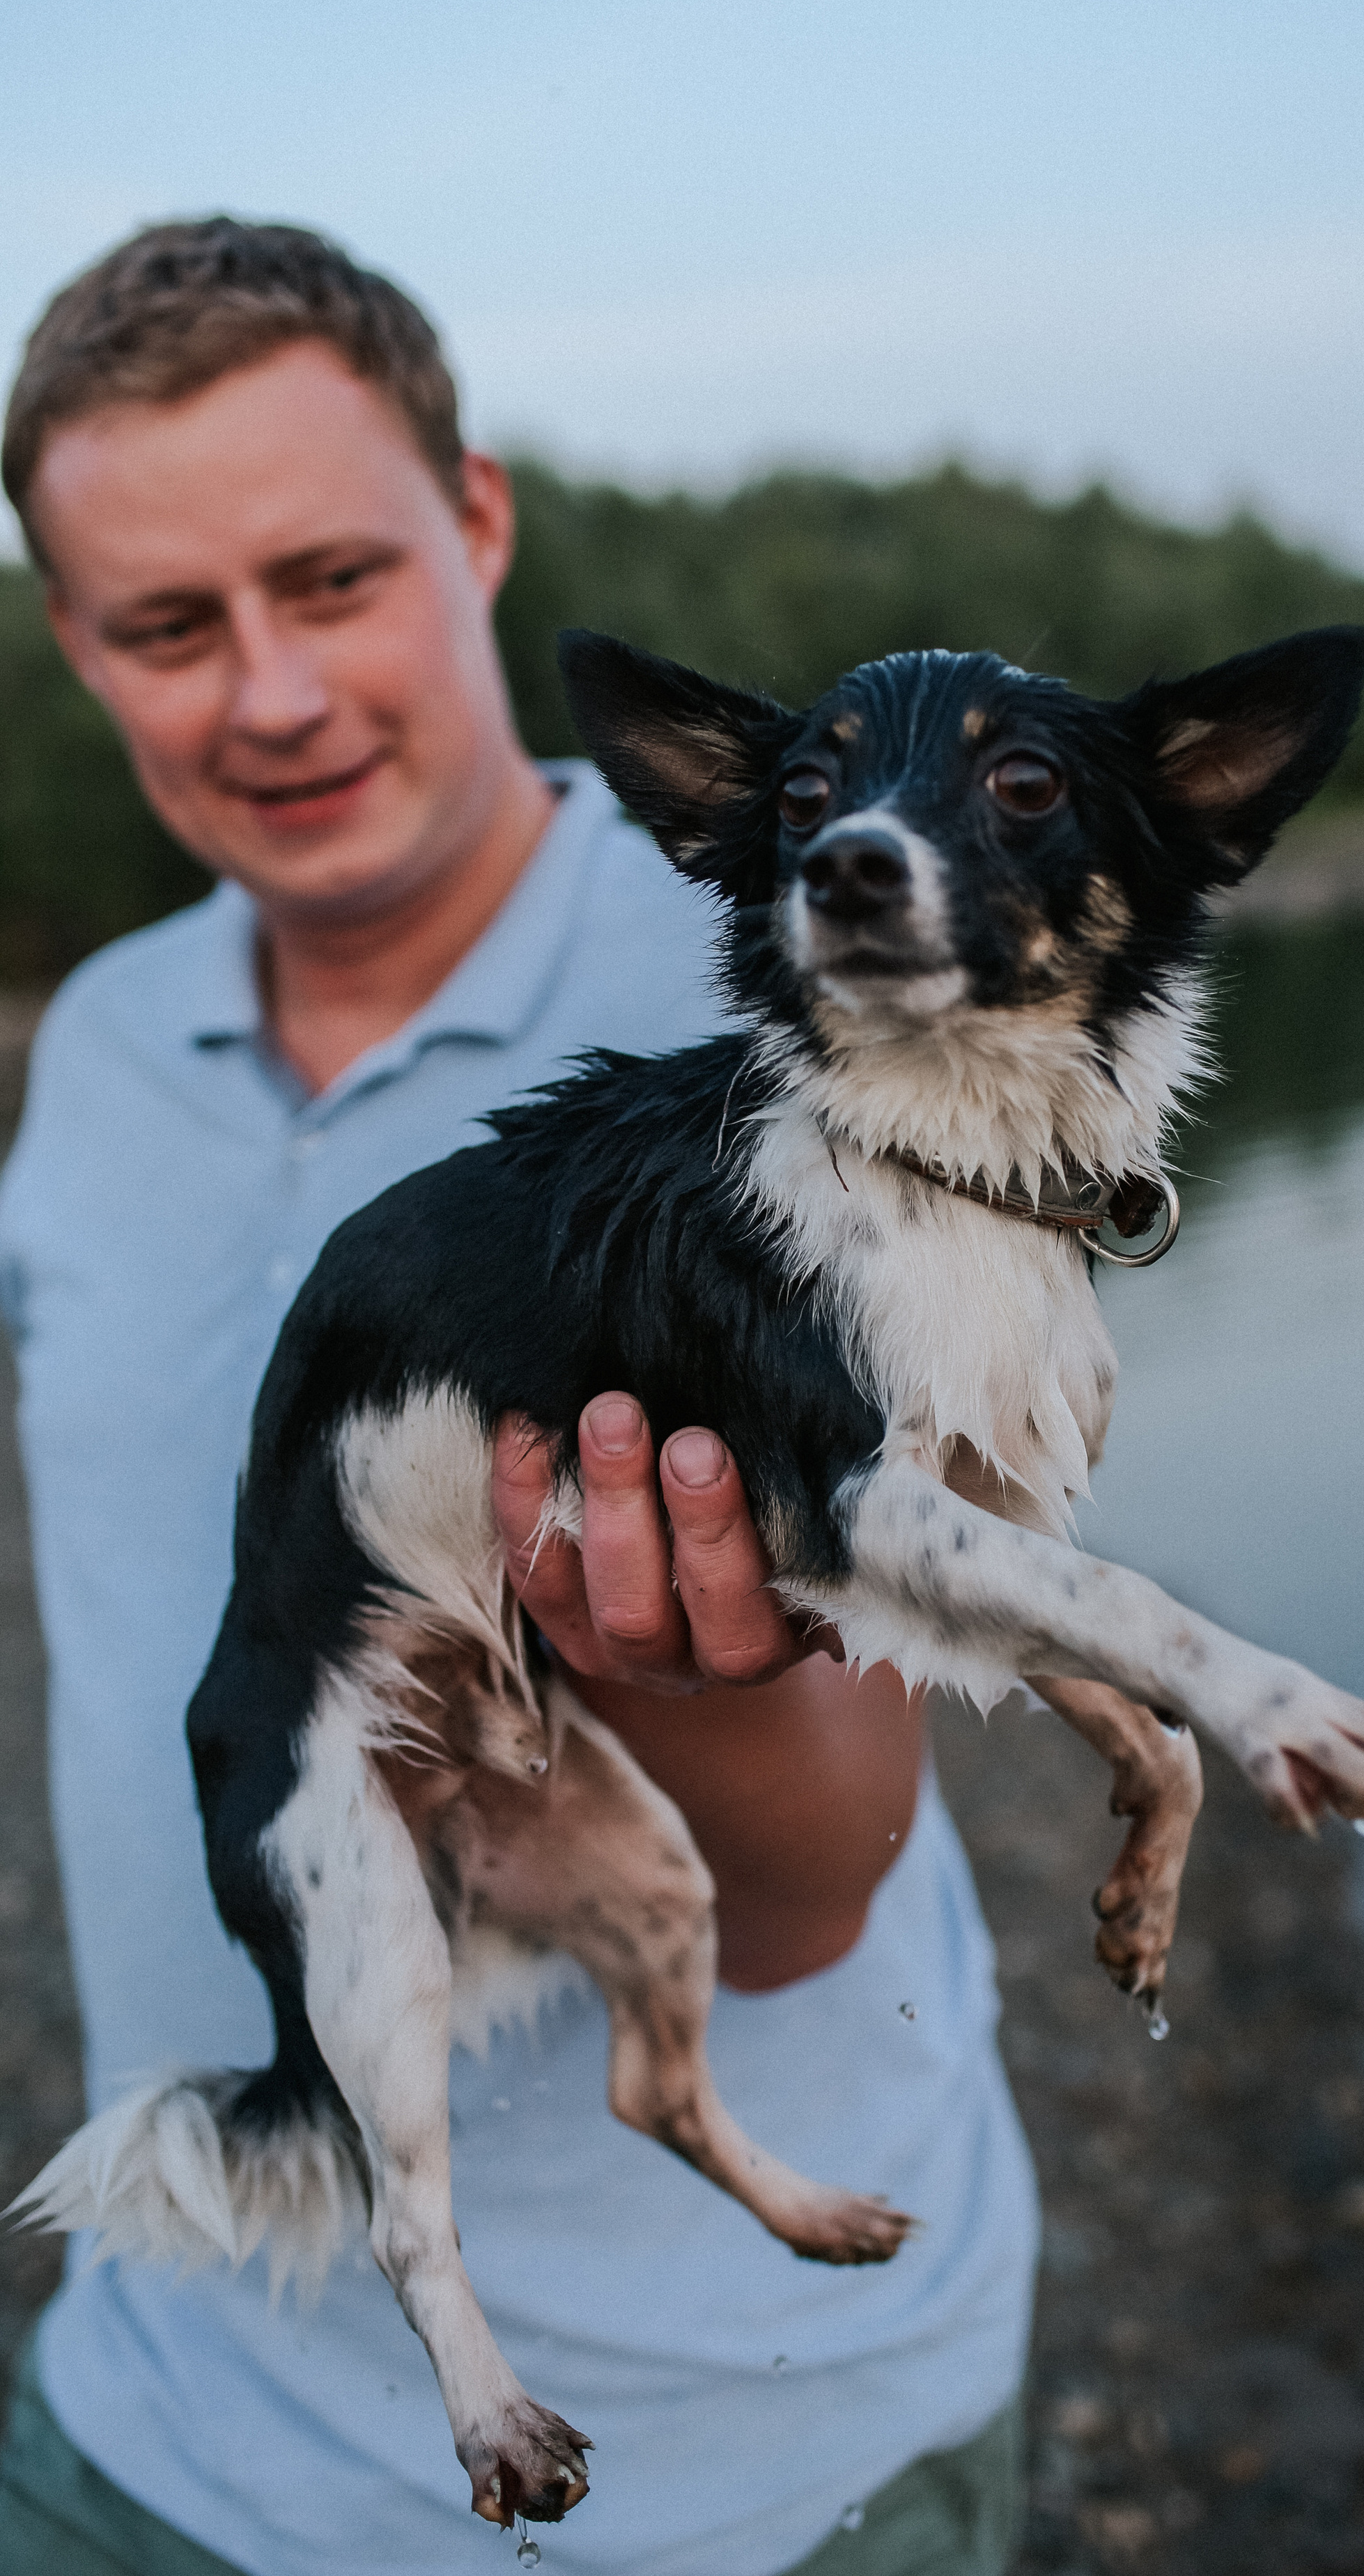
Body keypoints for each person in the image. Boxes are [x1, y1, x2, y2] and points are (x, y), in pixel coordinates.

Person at [0, 220, 1037, 2576]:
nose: (269, 692)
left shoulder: (830, 995)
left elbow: (814, 1893)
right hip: (159, 2410)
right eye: (169, 623)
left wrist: (716, 1670)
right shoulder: (101, 1059)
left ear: (477, 522)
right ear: (75, 641)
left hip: (752, 2467)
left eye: (332, 575)